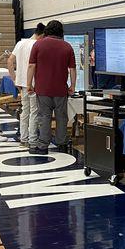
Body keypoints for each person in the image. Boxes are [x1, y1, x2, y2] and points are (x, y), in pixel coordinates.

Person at [27, 20, 76, 153]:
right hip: (61, 89)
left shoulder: (38, 44)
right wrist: (72, 86)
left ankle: (43, 145)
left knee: (44, 117)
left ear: (47, 30)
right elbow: (72, 69)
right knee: (61, 117)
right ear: (61, 32)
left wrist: (28, 84)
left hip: (43, 89)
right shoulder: (67, 46)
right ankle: (62, 144)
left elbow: (32, 66)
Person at [8, 22, 45, 147]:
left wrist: (14, 79)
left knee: (25, 111)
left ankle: (24, 138)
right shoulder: (38, 44)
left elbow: (10, 61)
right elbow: (34, 65)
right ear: (42, 34)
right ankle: (32, 139)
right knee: (34, 112)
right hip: (33, 83)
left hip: (22, 83)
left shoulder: (20, 43)